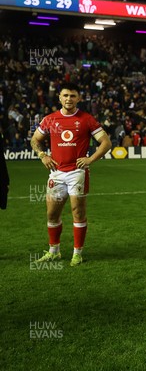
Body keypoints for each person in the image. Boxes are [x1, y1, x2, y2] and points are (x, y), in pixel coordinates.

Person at [30, 82, 112, 266]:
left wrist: (90, 160)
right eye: (65, 95)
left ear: (79, 98)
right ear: (59, 97)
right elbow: (35, 140)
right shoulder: (50, 119)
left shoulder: (87, 119)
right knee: (52, 214)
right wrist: (42, 155)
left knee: (78, 212)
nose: (69, 99)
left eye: (73, 96)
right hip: (56, 173)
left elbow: (106, 143)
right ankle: (54, 251)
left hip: (77, 173)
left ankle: (77, 253)